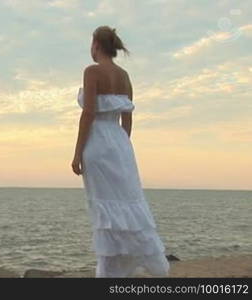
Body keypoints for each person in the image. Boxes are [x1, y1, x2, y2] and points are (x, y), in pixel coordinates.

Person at [71, 25, 170, 277]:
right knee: (128, 200)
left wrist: (77, 152)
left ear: (96, 45)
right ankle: (147, 264)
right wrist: (122, 146)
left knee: (105, 205)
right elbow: (128, 119)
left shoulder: (91, 71)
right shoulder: (125, 76)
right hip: (120, 142)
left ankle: (110, 271)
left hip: (98, 141)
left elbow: (89, 113)